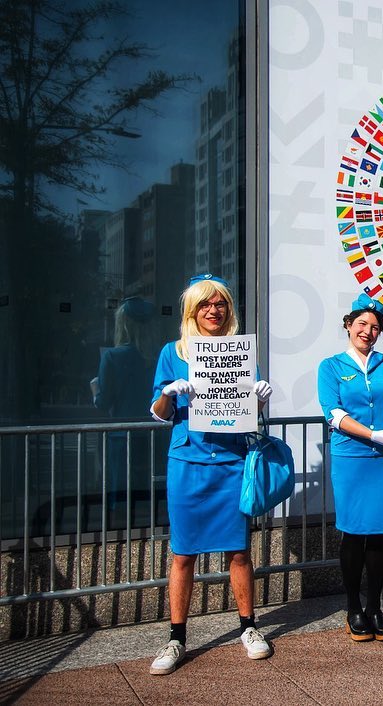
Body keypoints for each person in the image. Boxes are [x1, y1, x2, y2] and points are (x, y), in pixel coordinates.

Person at [148, 274, 274, 675]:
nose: (213, 310)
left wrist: (259, 400)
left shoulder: (241, 353)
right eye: (205, 304)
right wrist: (168, 393)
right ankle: (176, 638)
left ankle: (248, 627)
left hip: (231, 463)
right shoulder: (173, 353)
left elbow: (248, 415)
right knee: (183, 553)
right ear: (192, 310)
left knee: (239, 551)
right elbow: (159, 413)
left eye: (220, 303)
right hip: (188, 464)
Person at [317, 293, 383, 642]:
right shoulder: (331, 367)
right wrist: (372, 435)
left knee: (381, 534)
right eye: (362, 324)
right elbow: (334, 414)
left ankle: (374, 608)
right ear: (348, 325)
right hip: (351, 459)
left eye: (374, 327)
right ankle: (353, 608)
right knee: (354, 533)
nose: (367, 332)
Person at [92, 296, 155, 515]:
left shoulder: (112, 356)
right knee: (146, 490)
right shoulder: (157, 356)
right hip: (150, 433)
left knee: (120, 493)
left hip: (120, 435)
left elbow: (103, 402)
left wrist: (95, 391)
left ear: (123, 325)